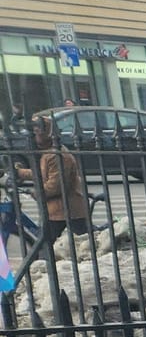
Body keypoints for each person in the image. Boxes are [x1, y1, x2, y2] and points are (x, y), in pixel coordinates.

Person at [30, 115, 89, 270]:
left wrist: (36, 193)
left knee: (47, 243)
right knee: (82, 239)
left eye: (38, 133)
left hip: (65, 208)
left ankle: (43, 271)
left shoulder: (57, 155)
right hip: (60, 209)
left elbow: (55, 186)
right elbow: (44, 174)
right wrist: (21, 173)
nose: (35, 137)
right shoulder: (50, 153)